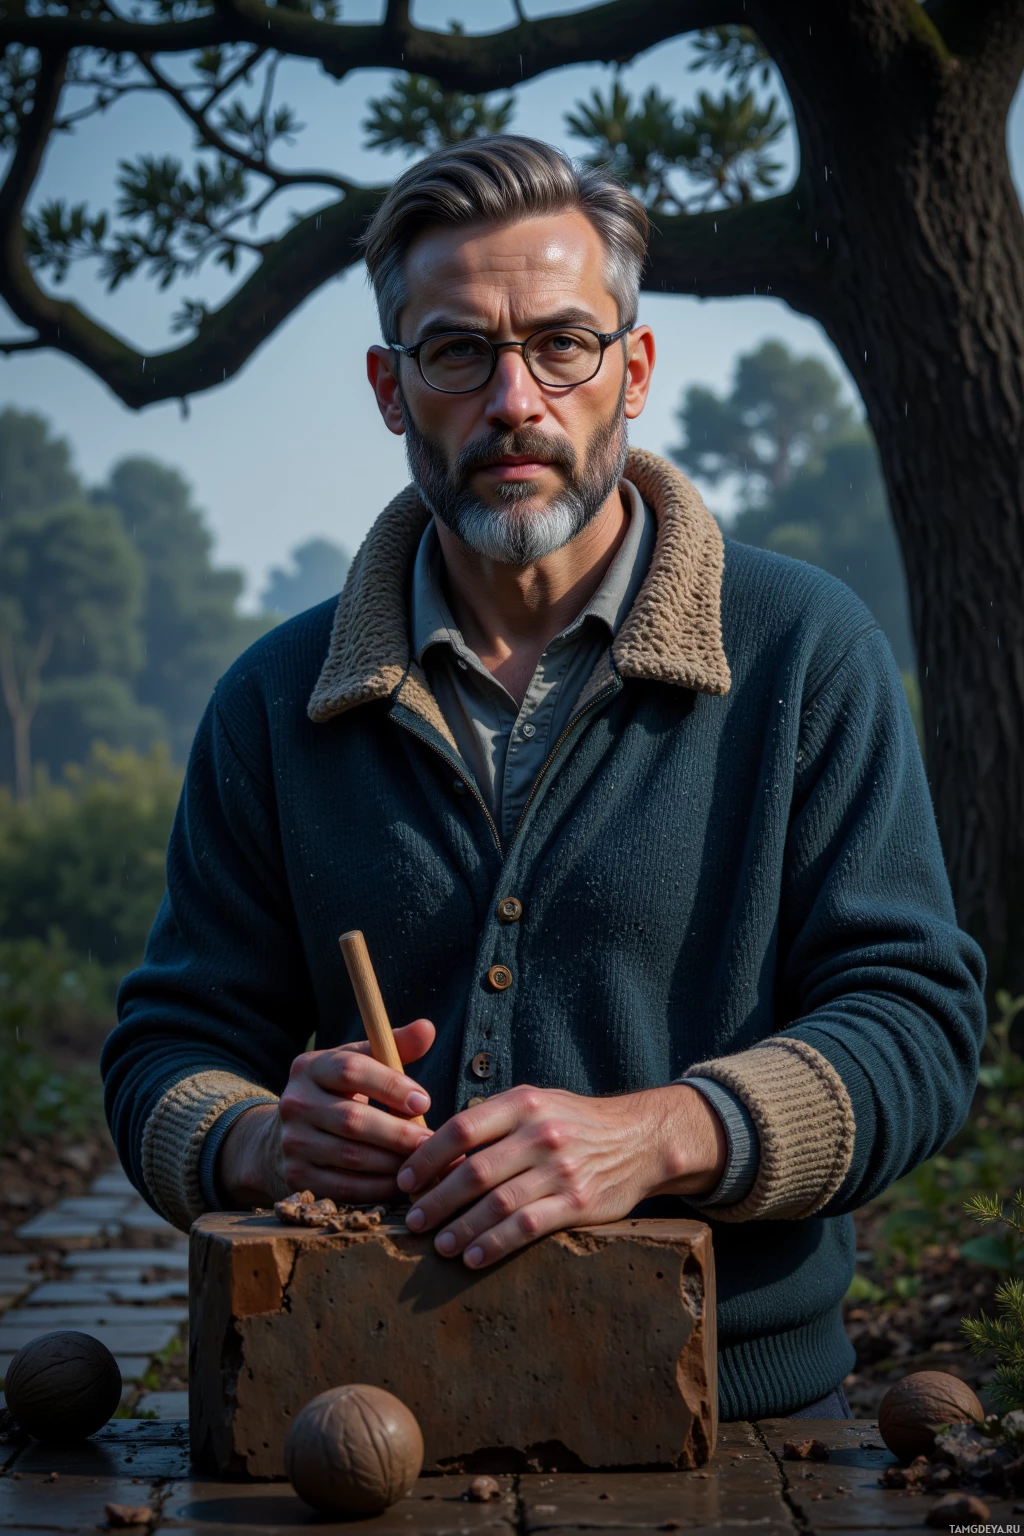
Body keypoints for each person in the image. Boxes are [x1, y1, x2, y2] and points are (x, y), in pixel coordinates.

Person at [103, 135, 985, 1424]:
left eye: (563, 344)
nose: (515, 399)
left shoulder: (805, 651)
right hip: (354, 1403)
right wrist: (256, 1140)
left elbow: (918, 1026)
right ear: (391, 389)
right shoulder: (272, 700)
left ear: (634, 370)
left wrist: (665, 1133)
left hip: (736, 1413)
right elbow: (165, 1051)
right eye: (458, 351)